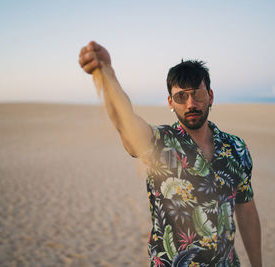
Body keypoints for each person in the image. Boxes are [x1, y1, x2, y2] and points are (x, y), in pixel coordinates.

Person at [79, 41, 262, 267]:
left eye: (198, 94)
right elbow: (124, 121)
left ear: (211, 96)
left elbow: (246, 210)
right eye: (181, 97)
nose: (191, 103)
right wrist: (108, 73)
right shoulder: (160, 143)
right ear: (170, 103)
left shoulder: (236, 148)